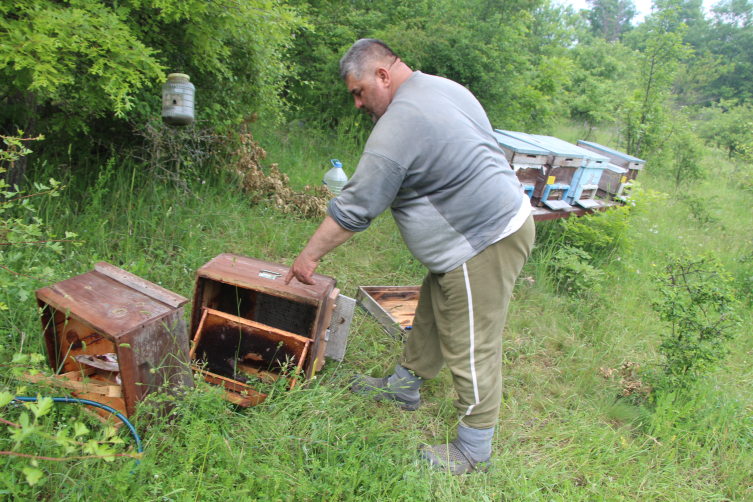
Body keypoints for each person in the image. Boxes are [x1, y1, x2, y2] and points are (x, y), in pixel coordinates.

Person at [285, 38, 535, 475]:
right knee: (434, 313)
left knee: (471, 341)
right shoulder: (443, 87)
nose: (359, 104)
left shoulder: (400, 122)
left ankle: (474, 449)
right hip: (471, 239)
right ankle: (405, 387)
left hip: (484, 239)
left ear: (383, 74)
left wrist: (307, 259)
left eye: (360, 92)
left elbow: (356, 206)